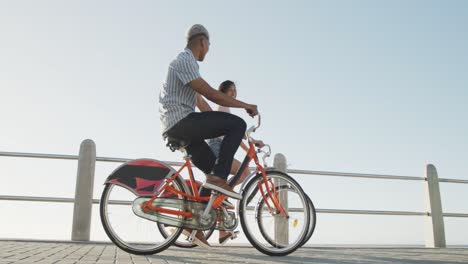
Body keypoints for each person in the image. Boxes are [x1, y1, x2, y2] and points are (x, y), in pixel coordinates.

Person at [159, 24, 258, 247]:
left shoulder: (185, 66)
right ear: (203, 42)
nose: (208, 49)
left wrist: (216, 122)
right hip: (181, 123)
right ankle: (218, 179)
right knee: (237, 124)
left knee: (213, 171)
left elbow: (203, 104)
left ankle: (193, 224)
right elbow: (213, 95)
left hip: (181, 128)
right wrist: (246, 106)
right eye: (209, 45)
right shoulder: (185, 60)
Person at [204, 80, 264, 244]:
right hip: (216, 148)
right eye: (230, 90)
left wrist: (253, 141)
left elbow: (238, 135)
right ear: (222, 91)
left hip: (216, 148)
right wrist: (248, 146)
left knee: (219, 194)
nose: (234, 93)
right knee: (245, 172)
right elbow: (235, 134)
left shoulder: (225, 109)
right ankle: (224, 194)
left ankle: (222, 232)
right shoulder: (222, 107)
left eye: (235, 90)